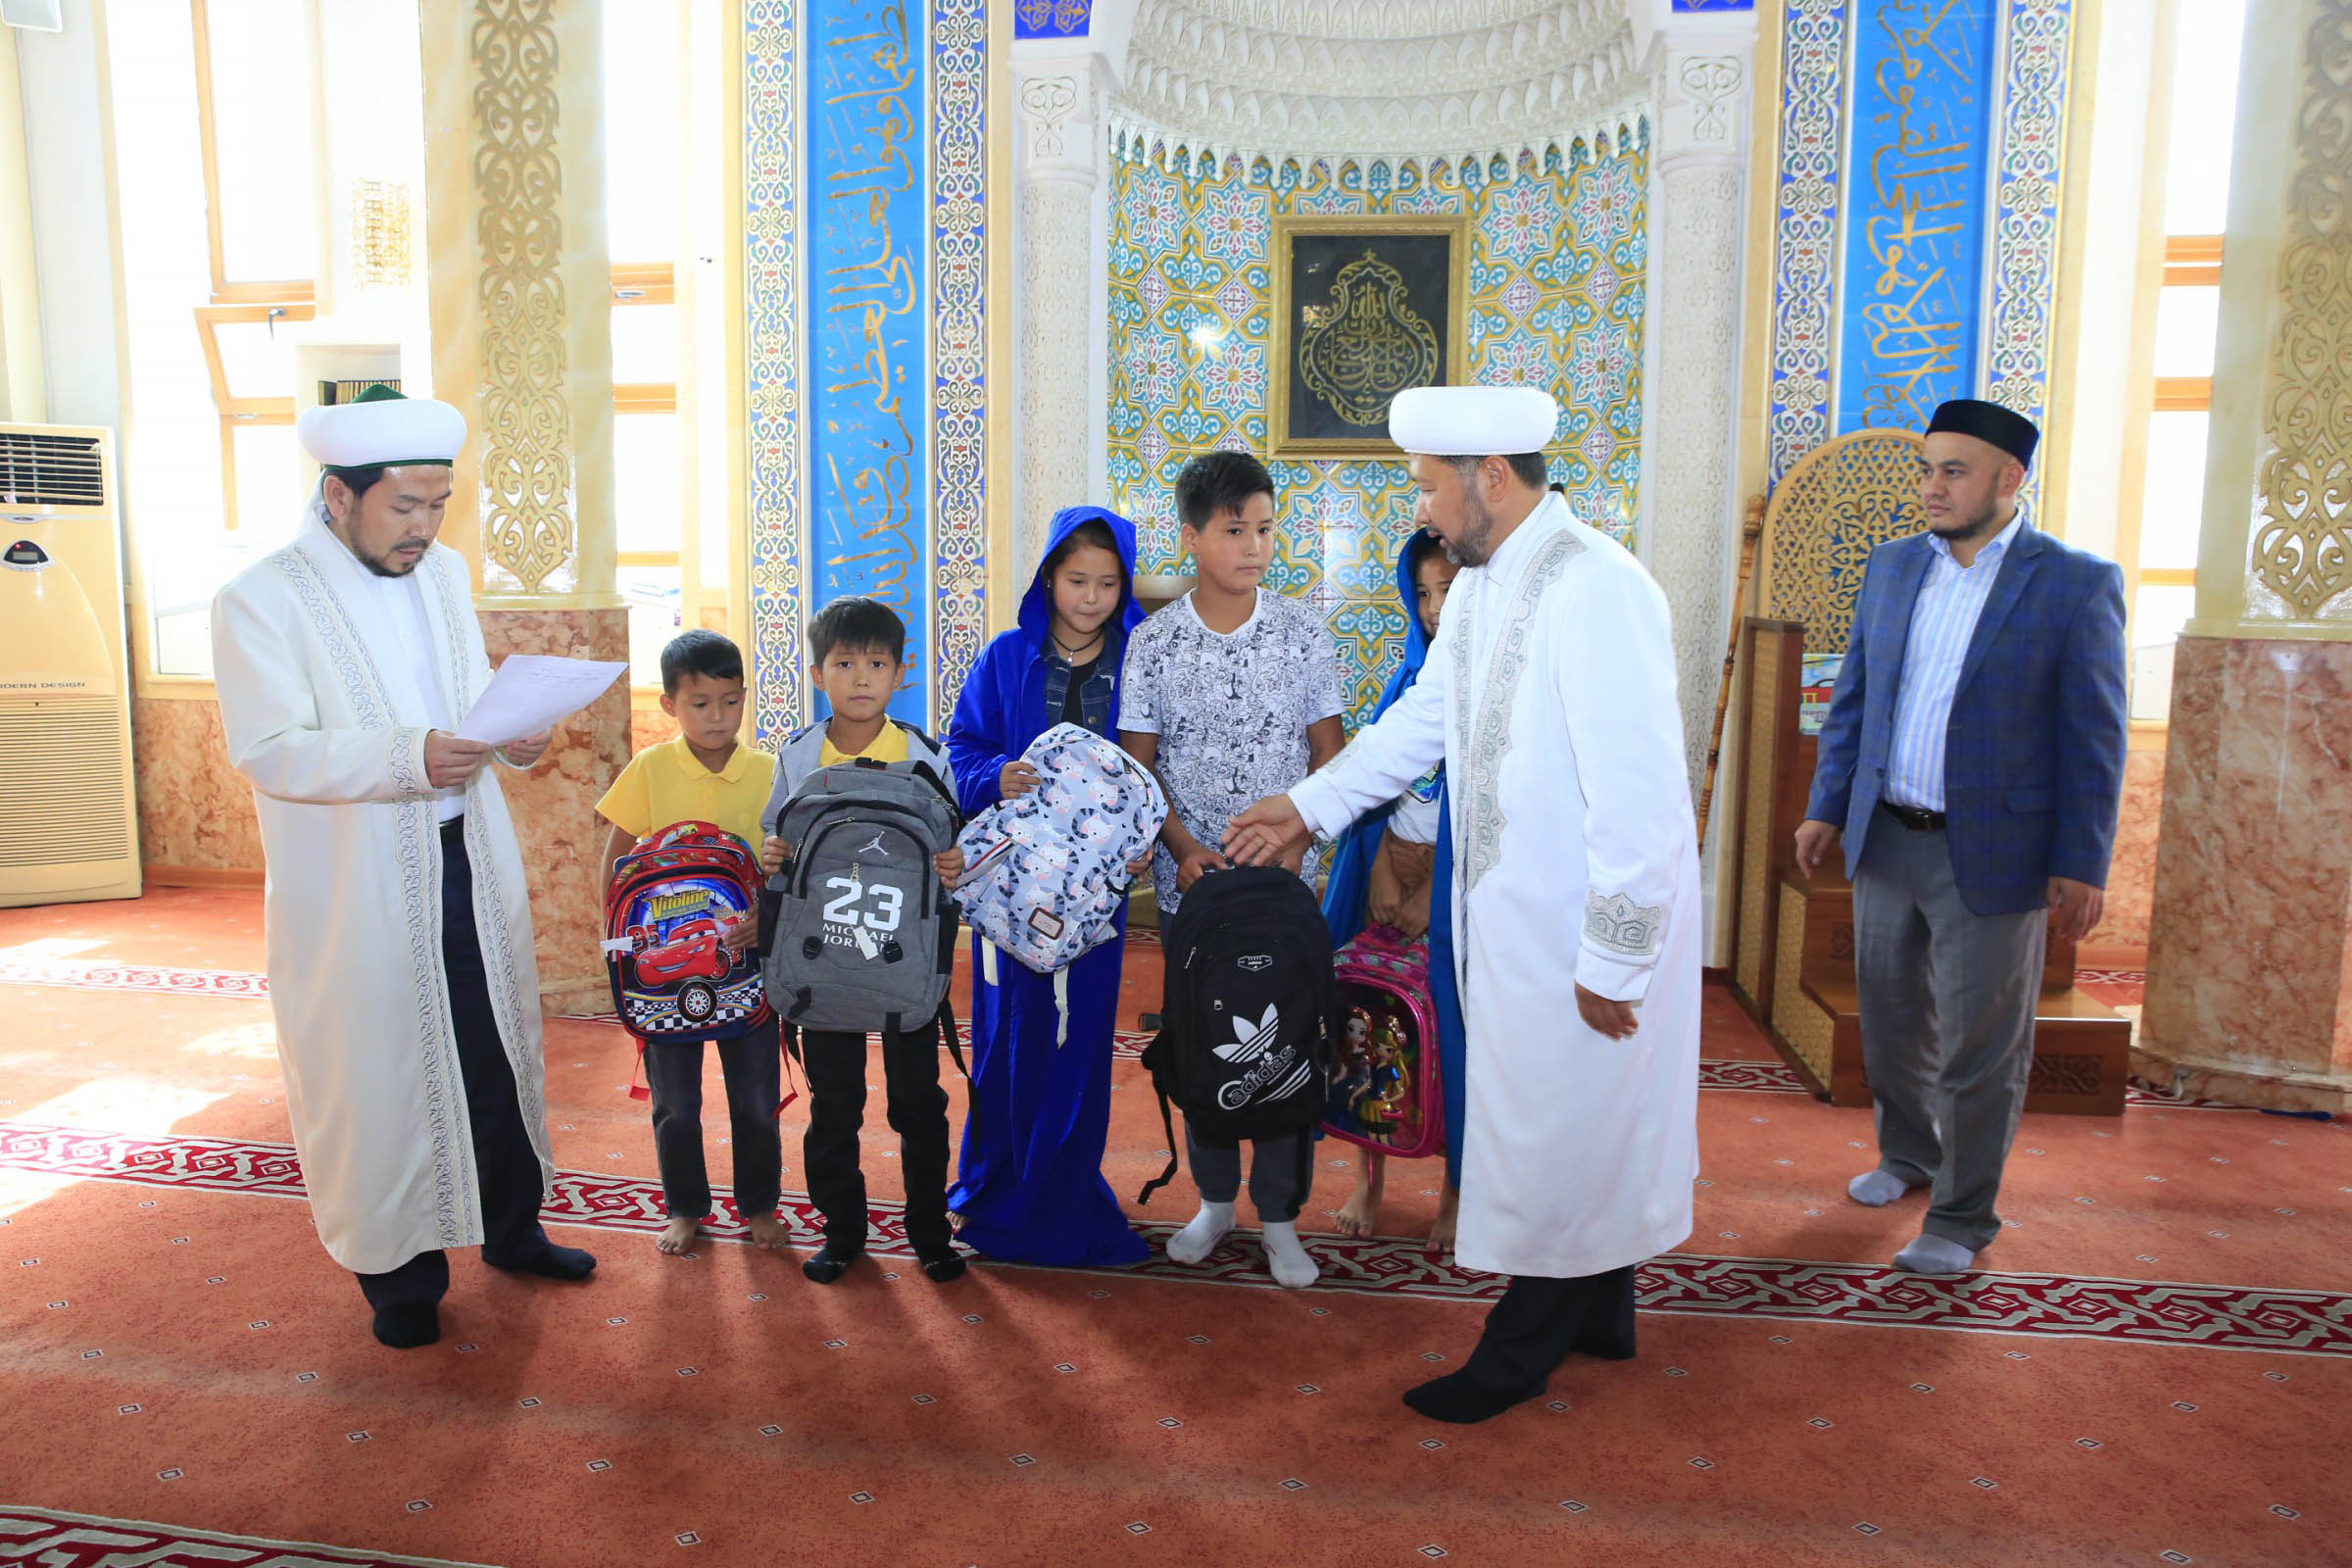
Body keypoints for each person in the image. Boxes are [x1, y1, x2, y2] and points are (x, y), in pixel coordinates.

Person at [1226, 386, 1700, 1423]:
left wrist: (1617, 956)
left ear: (1491, 477)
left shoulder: (1600, 588)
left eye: (1429, 487)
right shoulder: (1485, 589)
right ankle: (1601, 1310)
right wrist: (1308, 807)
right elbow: (1415, 728)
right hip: (1511, 924)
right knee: (1568, 1118)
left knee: (1560, 1123)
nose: (1424, 511)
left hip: (1580, 927)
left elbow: (1642, 798)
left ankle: (1520, 1349)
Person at [211, 386, 593, 1350]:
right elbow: (268, 750)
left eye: (439, 504)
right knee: (379, 1071)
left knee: (492, 1050)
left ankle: (512, 1229)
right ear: (338, 495)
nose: (425, 528)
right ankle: (400, 1277)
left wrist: (515, 732)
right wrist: (405, 756)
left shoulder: (444, 571)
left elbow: (459, 697)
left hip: (468, 854)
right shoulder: (259, 599)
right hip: (359, 885)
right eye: (404, 506)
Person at [1793, 399, 2127, 1276]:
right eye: (1927, 469)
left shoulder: (2075, 583)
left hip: (1995, 851)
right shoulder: (1895, 565)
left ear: (2009, 479)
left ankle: (1962, 1215)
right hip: (1886, 835)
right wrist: (1828, 805)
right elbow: (1856, 698)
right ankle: (1909, 1155)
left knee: (1982, 1045)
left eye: (1954, 471)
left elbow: (2095, 737)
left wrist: (2082, 860)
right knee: (1891, 1021)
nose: (1931, 488)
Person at [1119, 450, 1348, 1290]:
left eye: (1265, 529)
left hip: (1285, 889)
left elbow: (1330, 755)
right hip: (1196, 891)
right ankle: (1215, 1203)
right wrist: (1183, 850)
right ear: (1191, 537)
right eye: (1234, 530)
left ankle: (1280, 1217)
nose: (1254, 547)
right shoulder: (1155, 644)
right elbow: (1138, 768)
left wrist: (1297, 840)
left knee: (1286, 1042)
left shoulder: (1302, 633)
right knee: (1206, 1042)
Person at [943, 507, 1155, 1267]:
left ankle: (1063, 1194)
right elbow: (961, 745)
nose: (1091, 597)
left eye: (1107, 583)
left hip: (1095, 891)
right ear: (1048, 581)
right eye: (1076, 580)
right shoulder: (1008, 657)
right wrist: (991, 776)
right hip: (1010, 887)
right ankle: (994, 1190)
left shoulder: (1139, 661)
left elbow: (1154, 767)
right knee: (1006, 1039)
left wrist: (1143, 843)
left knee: (1079, 1041)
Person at [757, 597, 968, 1286]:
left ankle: (930, 1234)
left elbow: (954, 848)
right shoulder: (797, 754)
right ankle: (842, 1233)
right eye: (844, 664)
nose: (860, 678)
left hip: (906, 960)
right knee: (835, 1104)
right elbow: (778, 842)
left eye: (876, 664)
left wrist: (953, 862)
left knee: (919, 1102)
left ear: (901, 672)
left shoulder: (925, 754)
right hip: (824, 955)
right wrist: (772, 853)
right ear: (818, 673)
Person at [594, 629, 785, 1257]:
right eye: (700, 704)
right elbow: (617, 856)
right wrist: (616, 935)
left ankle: (759, 1205)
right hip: (663, 971)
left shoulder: (769, 772)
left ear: (744, 698)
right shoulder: (650, 768)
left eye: (730, 701)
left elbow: (786, 866)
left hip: (747, 966)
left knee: (755, 1100)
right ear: (670, 705)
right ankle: (684, 1208)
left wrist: (768, 920)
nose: (717, 717)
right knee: (675, 1104)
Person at [1318, 528, 1467, 1245]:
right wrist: (1379, 866)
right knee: (1372, 1025)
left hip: (1456, 885)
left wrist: (1430, 892)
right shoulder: (1409, 681)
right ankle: (1367, 1179)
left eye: (1449, 591)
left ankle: (1457, 1190)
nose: (1434, 610)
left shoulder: (1494, 689)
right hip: (1392, 868)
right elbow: (1381, 785)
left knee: (1454, 1034)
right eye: (1424, 595)